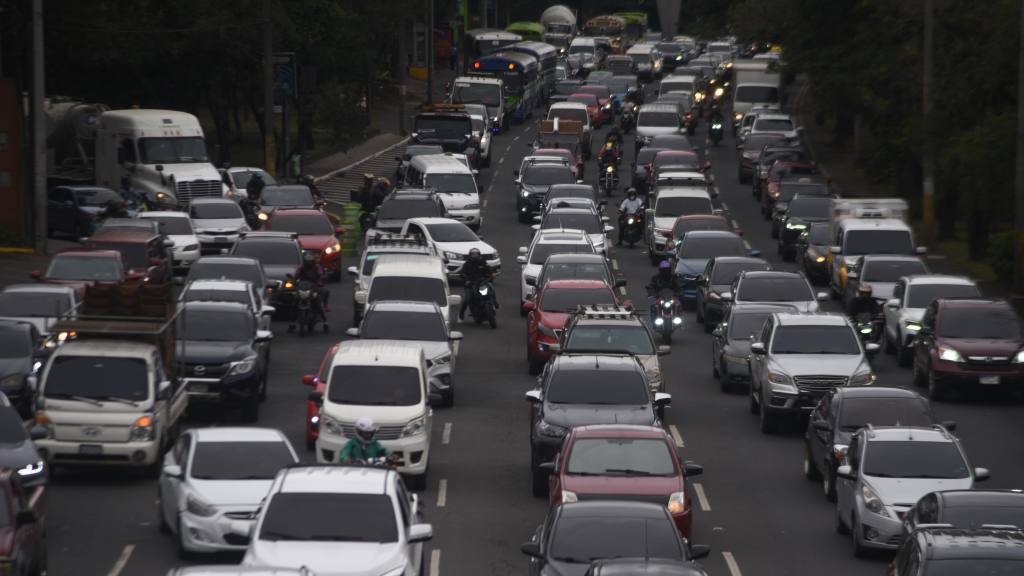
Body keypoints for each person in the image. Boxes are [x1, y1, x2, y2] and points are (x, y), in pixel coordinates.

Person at [459, 248, 497, 320]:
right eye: (473, 254)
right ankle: (462, 311)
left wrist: (492, 274)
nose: (474, 256)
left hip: (482, 283)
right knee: (467, 299)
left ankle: (495, 302)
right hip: (471, 285)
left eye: (476, 254)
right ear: (470, 255)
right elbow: (462, 273)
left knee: (491, 287)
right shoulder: (467, 264)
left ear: (479, 255)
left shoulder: (483, 262)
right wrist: (466, 280)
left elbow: (489, 269)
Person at [297, 252, 330, 320]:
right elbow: (296, 275)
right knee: (294, 301)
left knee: (321, 298)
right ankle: (293, 321)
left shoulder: (317, 267)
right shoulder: (301, 268)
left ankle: (325, 308)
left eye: (310, 262)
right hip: (303, 287)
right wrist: (293, 280)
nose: (308, 263)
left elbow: (320, 274)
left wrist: (321, 278)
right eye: (307, 262)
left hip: (314, 286)